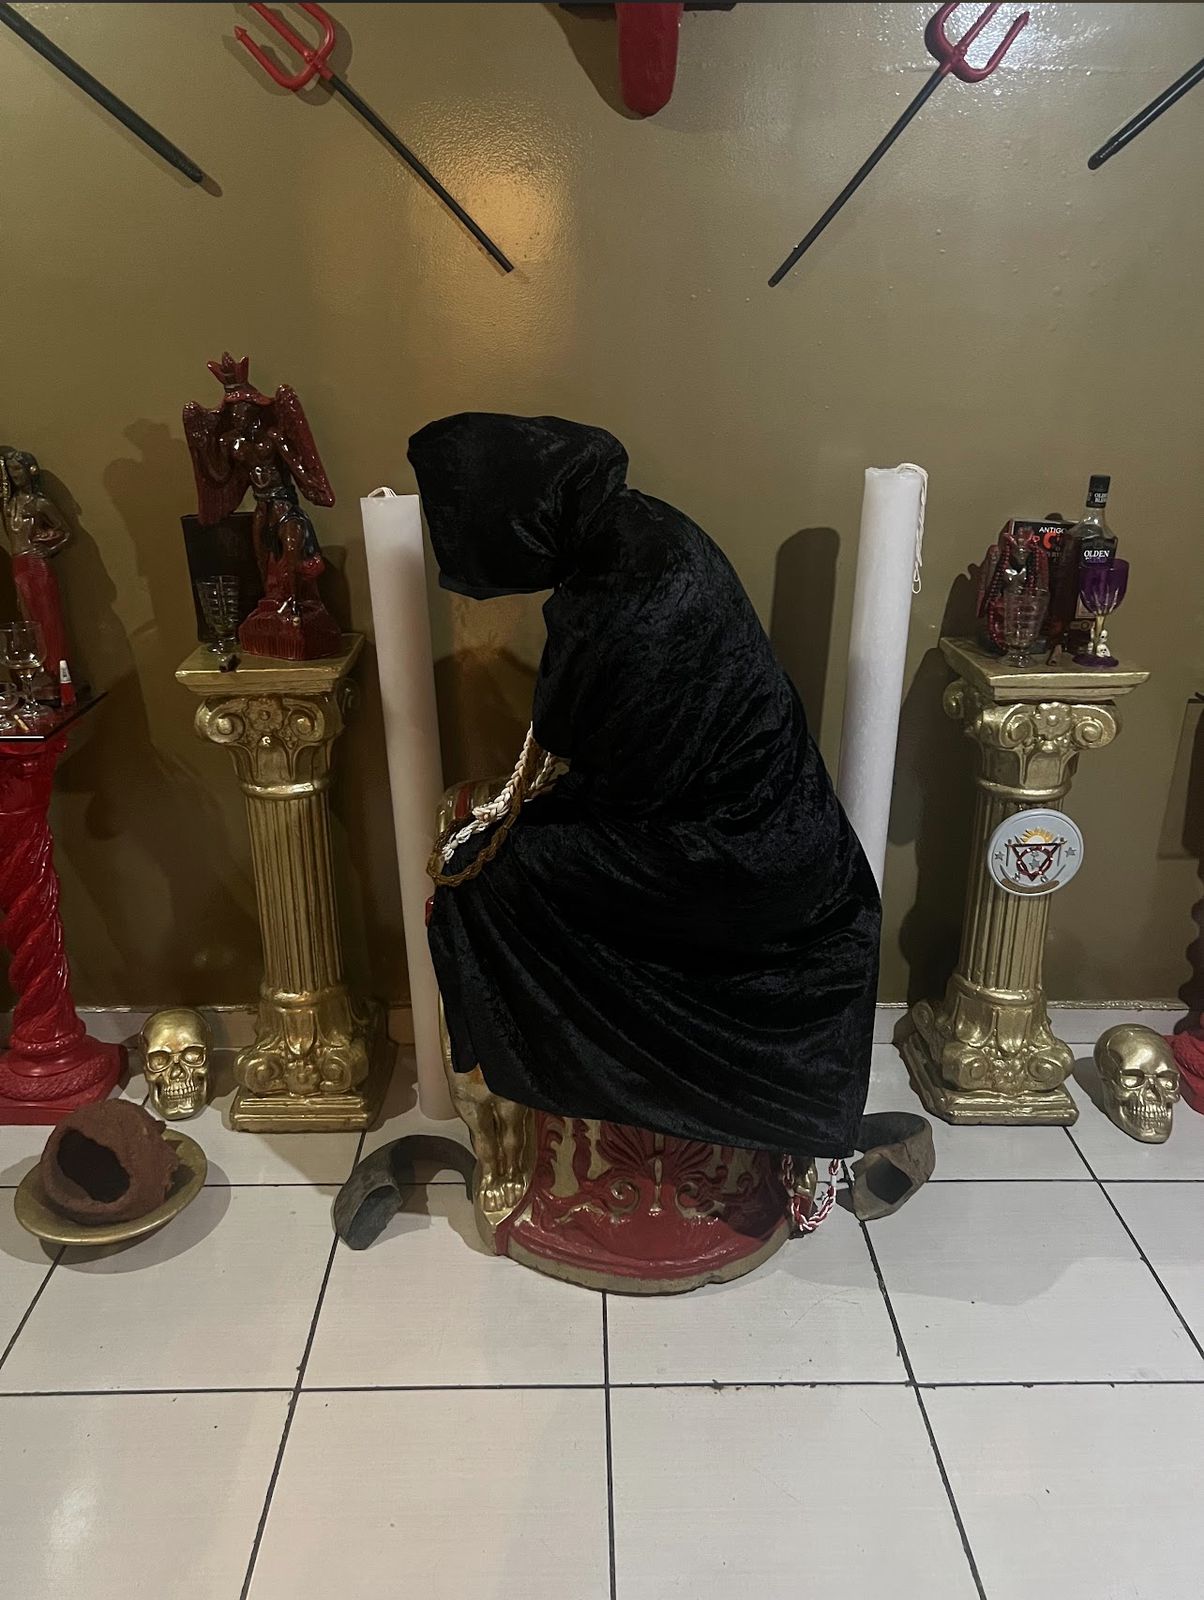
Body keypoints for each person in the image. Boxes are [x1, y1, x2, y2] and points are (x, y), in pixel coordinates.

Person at [409, 412, 881, 1163]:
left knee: (484, 879)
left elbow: (613, 773)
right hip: (777, 822)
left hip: (736, 856)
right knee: (498, 851)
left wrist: (514, 827)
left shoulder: (624, 594)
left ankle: (574, 1086)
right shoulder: (641, 528)